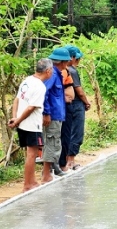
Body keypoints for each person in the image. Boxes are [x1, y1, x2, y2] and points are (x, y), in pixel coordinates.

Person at [9, 58, 53, 192]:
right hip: (32, 124)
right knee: (32, 154)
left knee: (30, 153)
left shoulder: (27, 80)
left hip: (22, 123)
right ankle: (28, 184)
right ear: (48, 71)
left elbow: (17, 99)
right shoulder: (40, 86)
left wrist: (15, 117)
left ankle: (31, 181)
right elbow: (31, 108)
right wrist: (17, 120)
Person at [41, 47, 71, 183]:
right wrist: (46, 113)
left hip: (57, 115)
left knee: (55, 142)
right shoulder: (52, 75)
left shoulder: (58, 74)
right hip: (51, 115)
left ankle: (54, 169)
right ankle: (46, 174)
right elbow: (44, 93)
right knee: (51, 142)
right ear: (63, 62)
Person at [60, 46, 91, 171]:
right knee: (77, 131)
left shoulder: (62, 70)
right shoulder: (71, 70)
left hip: (65, 105)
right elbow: (79, 90)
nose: (78, 61)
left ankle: (65, 160)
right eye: (77, 58)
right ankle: (70, 161)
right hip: (76, 104)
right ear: (71, 58)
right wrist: (86, 102)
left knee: (67, 132)